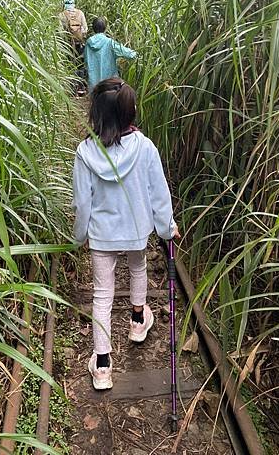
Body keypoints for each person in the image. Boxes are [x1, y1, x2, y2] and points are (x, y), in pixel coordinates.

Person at [72, 78, 180, 390]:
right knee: (138, 267)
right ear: (129, 113)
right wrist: (166, 228)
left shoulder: (85, 153)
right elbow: (159, 195)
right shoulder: (145, 148)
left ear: (97, 113)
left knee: (102, 295)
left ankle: (103, 364)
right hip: (136, 230)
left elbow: (82, 202)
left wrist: (79, 237)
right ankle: (137, 321)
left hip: (103, 234)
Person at [84, 17, 136, 91]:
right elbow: (129, 54)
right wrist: (137, 53)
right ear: (105, 28)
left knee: (96, 101)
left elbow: (86, 60)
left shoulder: (88, 42)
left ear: (93, 28)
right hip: (110, 84)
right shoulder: (110, 42)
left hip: (93, 85)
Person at [59, 0, 88, 95]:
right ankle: (81, 87)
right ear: (74, 5)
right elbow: (85, 29)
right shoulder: (80, 13)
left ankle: (72, 88)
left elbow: (60, 32)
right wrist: (81, 37)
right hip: (79, 44)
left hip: (68, 45)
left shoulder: (62, 15)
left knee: (70, 66)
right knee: (80, 65)